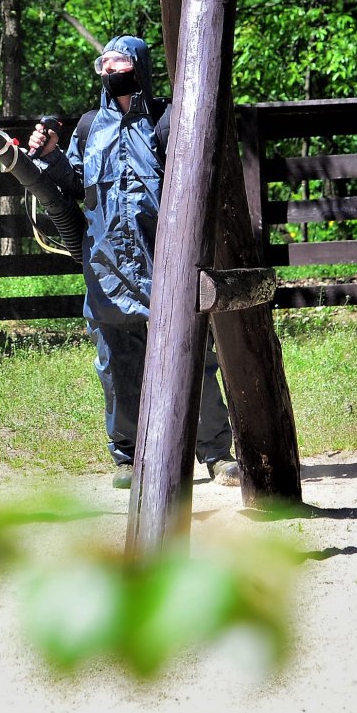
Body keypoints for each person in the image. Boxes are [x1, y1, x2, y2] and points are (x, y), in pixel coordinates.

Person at [64, 35, 238, 489]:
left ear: (138, 65)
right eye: (104, 64)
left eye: (119, 62)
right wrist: (42, 159)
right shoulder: (87, 128)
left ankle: (216, 454)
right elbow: (69, 190)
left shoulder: (166, 121)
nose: (110, 70)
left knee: (193, 358)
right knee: (117, 368)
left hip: (166, 267)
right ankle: (126, 457)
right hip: (106, 272)